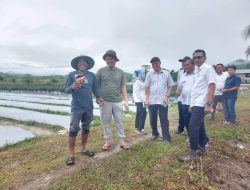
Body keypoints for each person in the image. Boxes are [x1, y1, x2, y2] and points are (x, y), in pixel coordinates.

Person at [179, 49, 216, 162]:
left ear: (205, 58)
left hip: (202, 104)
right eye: (195, 57)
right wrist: (192, 104)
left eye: (199, 57)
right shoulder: (198, 70)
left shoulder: (208, 69)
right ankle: (203, 148)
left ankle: (192, 153)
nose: (197, 59)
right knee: (199, 126)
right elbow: (197, 90)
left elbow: (212, 86)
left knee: (193, 127)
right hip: (196, 103)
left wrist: (208, 104)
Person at [65, 55, 102, 165]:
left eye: (85, 62)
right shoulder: (72, 75)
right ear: (77, 65)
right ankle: (71, 155)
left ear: (87, 65)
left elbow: (96, 89)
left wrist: (99, 97)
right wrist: (72, 86)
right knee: (73, 129)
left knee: (86, 128)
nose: (83, 64)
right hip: (77, 107)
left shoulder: (91, 76)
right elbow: (66, 90)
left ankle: (83, 149)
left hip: (89, 107)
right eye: (80, 63)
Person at [96, 50, 130, 151]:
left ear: (115, 60)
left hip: (118, 101)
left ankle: (122, 141)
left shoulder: (120, 72)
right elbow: (96, 86)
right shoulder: (100, 71)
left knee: (119, 121)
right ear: (106, 60)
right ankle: (108, 141)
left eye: (111, 59)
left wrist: (126, 101)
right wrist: (98, 98)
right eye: (107, 59)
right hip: (104, 101)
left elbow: (123, 87)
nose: (109, 60)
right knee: (106, 122)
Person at [145, 57, 174, 144]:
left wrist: (167, 96)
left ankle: (166, 138)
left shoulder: (166, 73)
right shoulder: (149, 74)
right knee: (152, 119)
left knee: (164, 119)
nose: (155, 65)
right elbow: (147, 87)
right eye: (153, 64)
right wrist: (146, 99)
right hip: (152, 100)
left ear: (160, 63)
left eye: (156, 63)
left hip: (163, 100)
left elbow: (170, 86)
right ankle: (155, 133)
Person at [176, 57, 195, 140]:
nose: (185, 66)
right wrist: (178, 91)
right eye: (184, 64)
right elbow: (179, 87)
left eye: (187, 64)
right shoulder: (182, 75)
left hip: (194, 102)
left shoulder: (198, 74)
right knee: (186, 120)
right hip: (184, 102)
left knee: (195, 122)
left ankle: (202, 140)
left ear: (192, 64)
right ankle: (190, 136)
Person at [133, 69, 147, 134]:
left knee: (140, 114)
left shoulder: (139, 82)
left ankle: (139, 128)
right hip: (140, 101)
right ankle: (140, 129)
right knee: (142, 114)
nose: (143, 75)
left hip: (140, 100)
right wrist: (144, 100)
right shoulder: (137, 82)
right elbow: (137, 92)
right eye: (141, 74)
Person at [175, 57, 186, 134]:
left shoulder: (195, 71)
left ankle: (191, 131)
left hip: (189, 98)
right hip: (180, 97)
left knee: (189, 115)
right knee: (181, 113)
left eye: (184, 62)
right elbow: (178, 83)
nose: (183, 64)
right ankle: (181, 129)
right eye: (182, 62)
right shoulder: (180, 72)